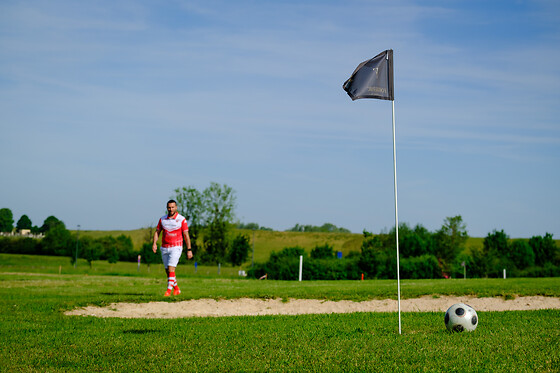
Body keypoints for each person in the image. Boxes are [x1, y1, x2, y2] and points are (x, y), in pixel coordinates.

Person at [152, 199, 193, 296]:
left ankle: (168, 292)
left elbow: (186, 235)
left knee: (171, 269)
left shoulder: (181, 219)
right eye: (169, 207)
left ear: (176, 207)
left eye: (172, 207)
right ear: (167, 208)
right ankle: (177, 289)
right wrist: (154, 243)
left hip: (176, 247)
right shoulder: (162, 219)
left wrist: (189, 249)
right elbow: (157, 232)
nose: (171, 209)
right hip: (164, 247)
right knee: (168, 272)